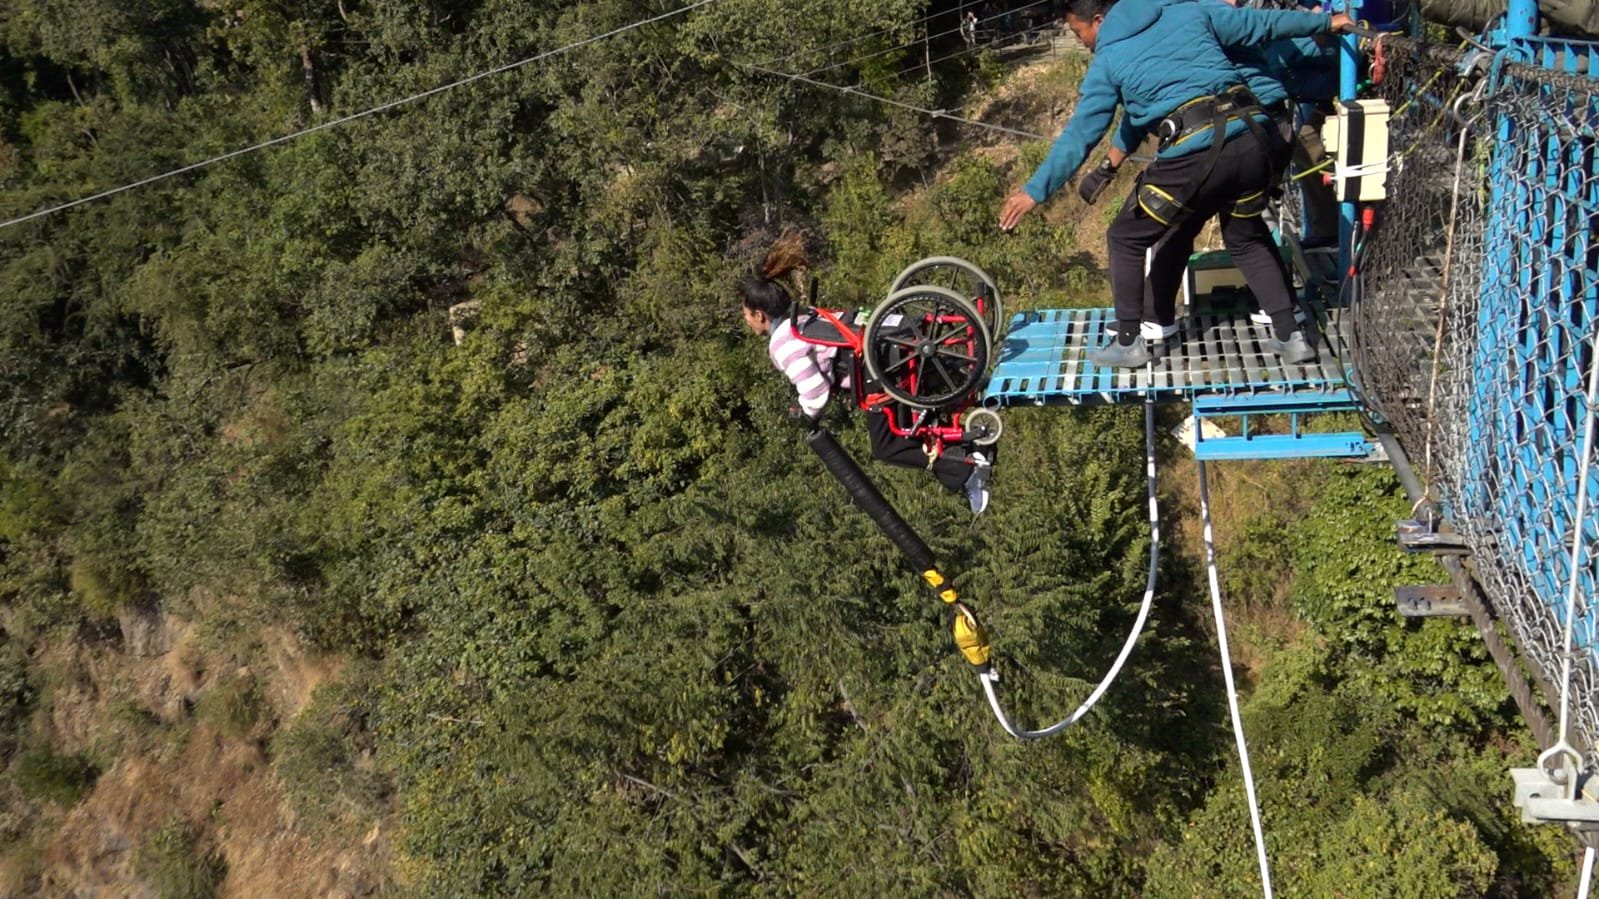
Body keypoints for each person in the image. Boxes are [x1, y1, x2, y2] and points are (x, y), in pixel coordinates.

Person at [998, 0, 1354, 368]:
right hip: (1255, 140)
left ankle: (1128, 341)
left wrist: (1034, 191)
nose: (1083, 42)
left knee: (1125, 236)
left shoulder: (1109, 59)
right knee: (1245, 237)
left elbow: (1081, 133)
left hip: (1196, 152)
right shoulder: (1187, 13)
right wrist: (1329, 22)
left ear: (1099, 21)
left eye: (1079, 32)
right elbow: (1258, 24)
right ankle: (1290, 335)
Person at [740, 235, 994, 513]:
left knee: (888, 447)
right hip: (894, 348)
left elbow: (816, 393)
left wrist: (805, 414)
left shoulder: (784, 343)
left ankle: (967, 468)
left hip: (879, 375)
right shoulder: (803, 316)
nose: (746, 321)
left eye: (747, 315)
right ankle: (968, 443)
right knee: (916, 421)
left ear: (759, 315)